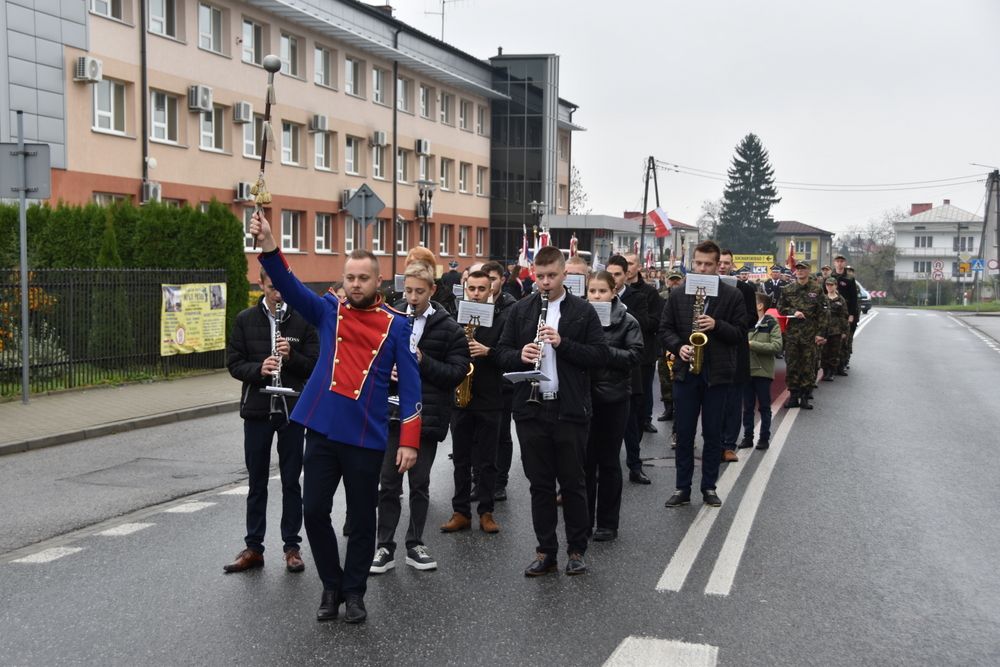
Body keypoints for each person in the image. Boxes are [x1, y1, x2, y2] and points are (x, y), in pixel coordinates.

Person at [249, 212, 422, 624]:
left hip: (365, 434)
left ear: (378, 282)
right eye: (350, 277)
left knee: (362, 520)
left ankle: (355, 591)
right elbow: (289, 284)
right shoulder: (329, 310)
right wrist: (271, 243)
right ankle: (331, 585)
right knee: (313, 512)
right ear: (343, 280)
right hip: (324, 428)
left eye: (363, 278)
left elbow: (412, 387)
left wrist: (410, 441)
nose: (355, 284)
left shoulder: (397, 326)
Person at [495, 245, 610, 576]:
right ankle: (546, 550)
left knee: (573, 483)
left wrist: (563, 344)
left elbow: (600, 356)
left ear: (564, 275)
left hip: (569, 409)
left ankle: (577, 549)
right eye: (540, 276)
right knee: (540, 484)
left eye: (552, 276)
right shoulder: (521, 310)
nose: (545, 283)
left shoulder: (582, 311)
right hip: (531, 410)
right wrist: (521, 354)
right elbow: (501, 353)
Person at [371, 261, 470, 574]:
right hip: (390, 412)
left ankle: (415, 544)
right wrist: (388, 370)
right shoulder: (390, 315)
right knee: (388, 483)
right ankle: (384, 546)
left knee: (419, 483)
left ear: (433, 290)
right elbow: (370, 359)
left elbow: (455, 373)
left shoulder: (449, 327)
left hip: (425, 415)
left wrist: (422, 361)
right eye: (408, 290)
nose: (411, 297)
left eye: (419, 292)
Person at [224, 267, 320, 574]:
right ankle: (254, 548)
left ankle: (292, 547)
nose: (278, 294)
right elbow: (234, 363)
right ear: (261, 286)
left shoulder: (303, 320)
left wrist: (291, 357)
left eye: (282, 289)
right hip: (258, 409)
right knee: (257, 482)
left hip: (292, 409)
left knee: (292, 480)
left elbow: (315, 365)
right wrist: (258, 369)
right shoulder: (245, 320)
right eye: (271, 288)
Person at [659, 240, 746, 508]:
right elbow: (665, 330)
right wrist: (679, 346)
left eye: (709, 264)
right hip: (686, 373)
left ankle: (709, 486)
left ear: (718, 265)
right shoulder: (678, 294)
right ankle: (682, 488)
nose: (703, 268)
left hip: (717, 374)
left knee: (712, 434)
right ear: (692, 263)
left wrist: (717, 325)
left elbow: (740, 334)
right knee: (684, 433)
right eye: (698, 263)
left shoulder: (732, 296)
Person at [441, 268, 512, 534]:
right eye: (472, 289)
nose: (477, 293)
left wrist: (488, 351)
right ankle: (460, 511)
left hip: (491, 398)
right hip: (461, 400)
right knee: (461, 459)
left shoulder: (502, 319)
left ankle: (486, 511)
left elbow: (509, 356)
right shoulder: (454, 319)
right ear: (465, 289)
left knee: (488, 460)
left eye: (482, 289)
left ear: (490, 289)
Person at [584, 271, 643, 541]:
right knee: (584, 463)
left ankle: (608, 522)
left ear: (613, 292)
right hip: (583, 398)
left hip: (613, 399)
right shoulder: (580, 318)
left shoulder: (627, 321)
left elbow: (634, 356)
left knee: (608, 462)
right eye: (592, 291)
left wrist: (601, 350)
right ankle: (583, 520)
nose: (597, 296)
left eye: (602, 292)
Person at [606, 255, 651, 485]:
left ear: (626, 275)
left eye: (617, 274)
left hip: (626, 369)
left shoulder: (637, 297)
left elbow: (643, 323)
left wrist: (620, 308)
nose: (613, 279)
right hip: (601, 374)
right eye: (609, 274)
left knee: (630, 423)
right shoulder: (596, 298)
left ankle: (635, 466)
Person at [479, 262, 519, 502]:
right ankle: (479, 481)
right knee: (477, 436)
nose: (488, 284)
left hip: (502, 381)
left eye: (493, 279)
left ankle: (500, 482)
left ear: (502, 280)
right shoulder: (470, 304)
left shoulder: (511, 308)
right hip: (478, 378)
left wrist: (490, 350)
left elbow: (511, 345)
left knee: (502, 434)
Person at [718, 249, 757, 464]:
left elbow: (751, 319)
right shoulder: (705, 286)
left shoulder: (745, 289)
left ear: (732, 265)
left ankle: (729, 445)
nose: (723, 266)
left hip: (736, 350)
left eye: (726, 263)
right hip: (712, 350)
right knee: (715, 402)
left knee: (733, 402)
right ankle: (715, 443)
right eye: (720, 262)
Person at [624, 251, 665, 438]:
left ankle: (643, 424)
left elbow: (655, 323)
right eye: (623, 263)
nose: (627, 267)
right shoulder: (609, 290)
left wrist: (626, 310)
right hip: (619, 353)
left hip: (643, 352)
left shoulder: (649, 292)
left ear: (638, 267)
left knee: (641, 398)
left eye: (631, 263)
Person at [777, 261, 827, 410]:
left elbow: (823, 314)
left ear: (808, 270)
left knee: (808, 365)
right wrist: (793, 312)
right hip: (793, 334)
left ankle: (805, 396)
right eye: (797, 269)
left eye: (803, 269)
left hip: (810, 334)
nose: (799, 271)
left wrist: (821, 334)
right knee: (792, 365)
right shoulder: (788, 289)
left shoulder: (817, 290)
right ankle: (793, 396)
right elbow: (780, 308)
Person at [740, 292, 782, 451]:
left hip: (763, 371)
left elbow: (776, 347)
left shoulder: (772, 324)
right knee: (747, 407)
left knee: (764, 406)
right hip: (746, 371)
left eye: (752, 302)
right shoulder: (746, 323)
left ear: (760, 306)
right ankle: (748, 437)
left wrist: (753, 344)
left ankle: (764, 437)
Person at [657, 269, 684, 423]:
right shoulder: (660, 297)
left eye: (677, 279)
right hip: (664, 342)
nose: (674, 282)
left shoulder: (686, 296)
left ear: (682, 280)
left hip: (681, 343)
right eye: (672, 279)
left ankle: (680, 408)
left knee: (680, 377)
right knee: (665, 377)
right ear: (666, 280)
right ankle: (668, 408)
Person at [830, 254, 857, 374]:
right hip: (831, 312)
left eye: (842, 261)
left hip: (844, 313)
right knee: (832, 340)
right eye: (837, 261)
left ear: (844, 263)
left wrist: (852, 314)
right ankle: (831, 366)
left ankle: (843, 363)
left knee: (844, 339)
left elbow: (854, 298)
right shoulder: (830, 277)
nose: (839, 263)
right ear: (834, 263)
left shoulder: (849, 279)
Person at [820, 276, 849, 382]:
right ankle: (825, 371)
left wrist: (844, 331)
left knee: (834, 352)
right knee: (824, 352)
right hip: (824, 329)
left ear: (835, 286)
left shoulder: (840, 300)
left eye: (831, 285)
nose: (829, 287)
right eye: (827, 285)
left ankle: (832, 372)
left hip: (836, 330)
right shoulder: (822, 298)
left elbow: (844, 316)